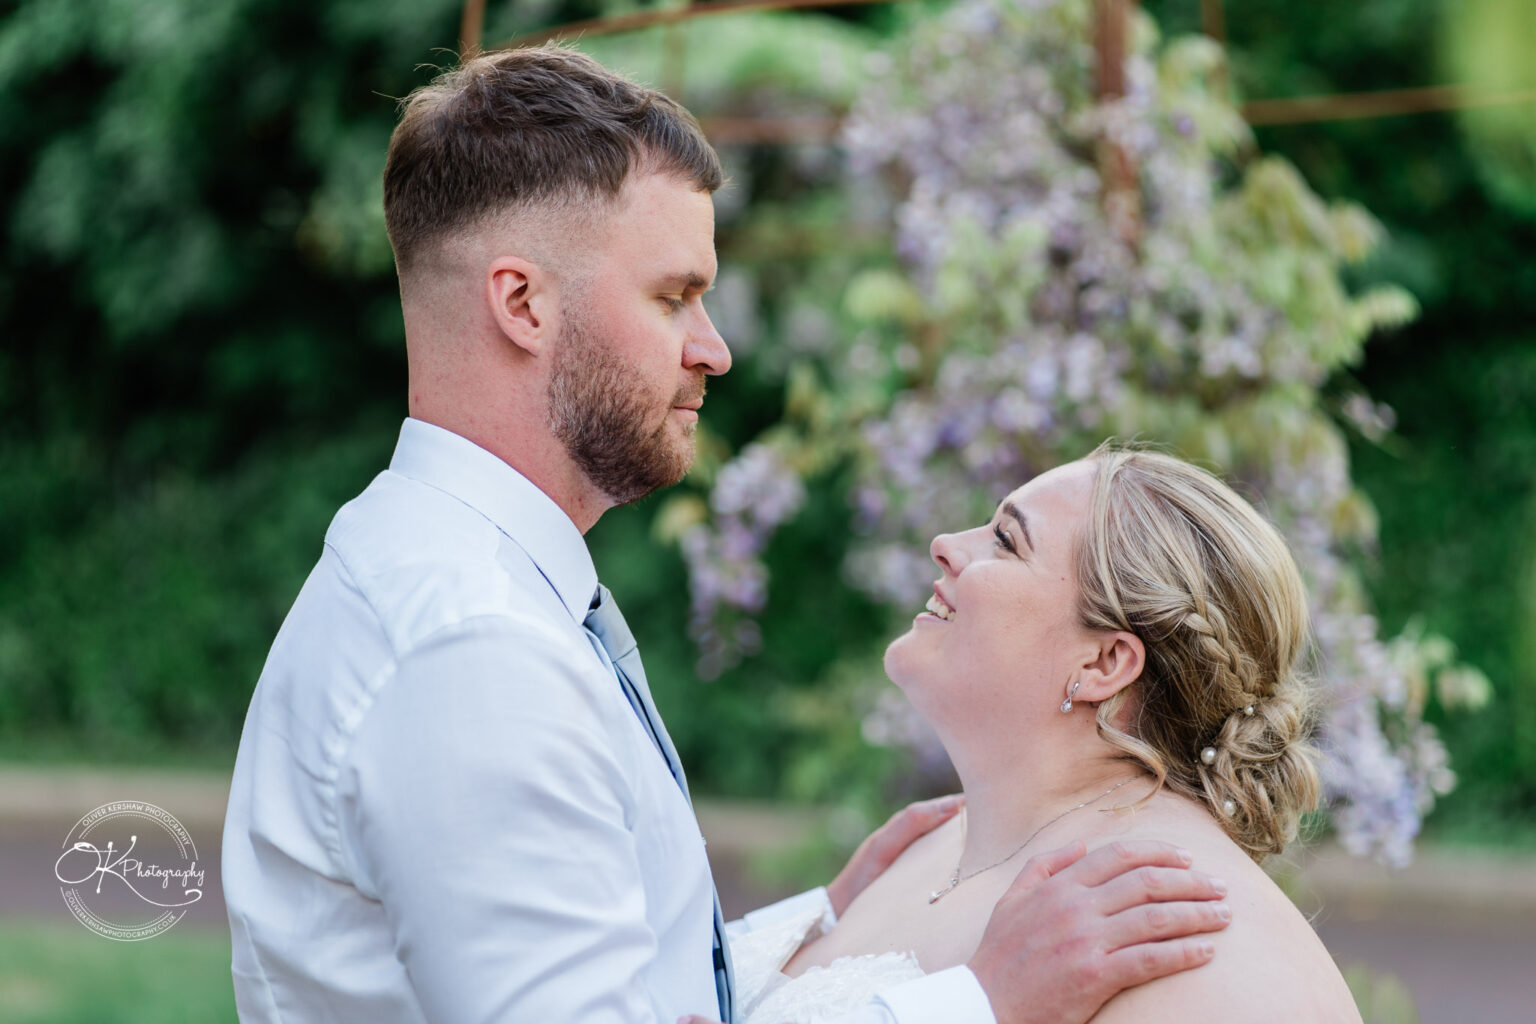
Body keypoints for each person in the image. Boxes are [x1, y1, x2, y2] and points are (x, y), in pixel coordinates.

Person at [220, 46, 1232, 1024]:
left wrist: (826, 922)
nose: (715, 349)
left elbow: (589, 975)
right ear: (522, 302)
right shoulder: (473, 649)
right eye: (673, 299)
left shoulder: (437, 567)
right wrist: (985, 999)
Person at [708, 447, 1363, 1024]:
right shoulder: (933, 850)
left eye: (1006, 541)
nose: (945, 542)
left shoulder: (1163, 923)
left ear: (1104, 664)